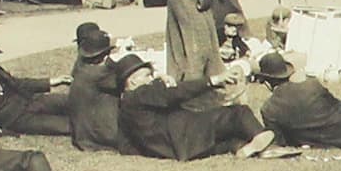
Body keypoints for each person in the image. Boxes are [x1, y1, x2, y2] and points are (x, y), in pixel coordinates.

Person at [115, 53, 275, 161]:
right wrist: (213, 80)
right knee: (238, 113)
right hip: (185, 134)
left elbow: (125, 144)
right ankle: (263, 138)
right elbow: (177, 93)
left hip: (176, 150)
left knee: (227, 139)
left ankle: (242, 147)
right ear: (133, 81)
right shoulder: (141, 93)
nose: (152, 78)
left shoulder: (125, 106)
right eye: (147, 76)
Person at [67, 30, 120, 151]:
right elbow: (125, 79)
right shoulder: (101, 74)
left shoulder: (82, 69)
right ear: (105, 54)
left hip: (83, 134)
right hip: (98, 135)